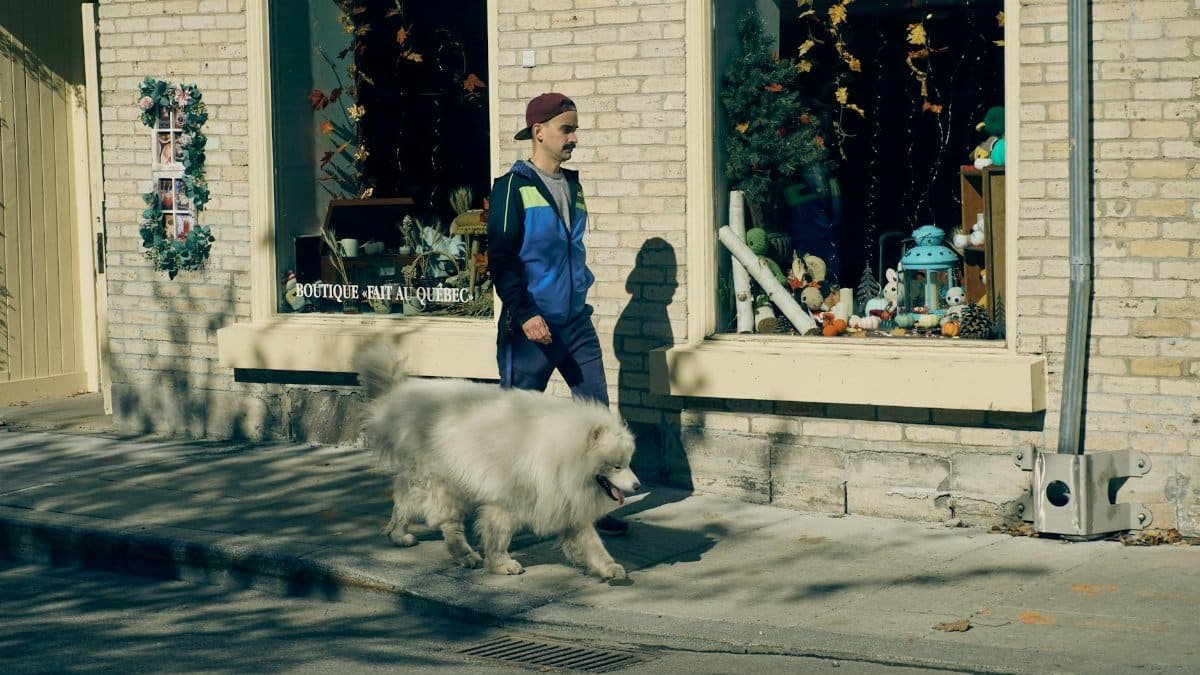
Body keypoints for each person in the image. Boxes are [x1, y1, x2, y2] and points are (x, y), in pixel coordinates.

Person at [486, 92, 629, 537]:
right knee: (517, 425)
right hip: (531, 327)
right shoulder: (512, 187)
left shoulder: (572, 185)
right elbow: (501, 259)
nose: (574, 138)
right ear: (539, 132)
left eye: (575, 129)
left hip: (574, 322)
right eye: (567, 129)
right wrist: (525, 312)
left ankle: (590, 511)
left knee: (597, 422)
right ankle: (506, 515)